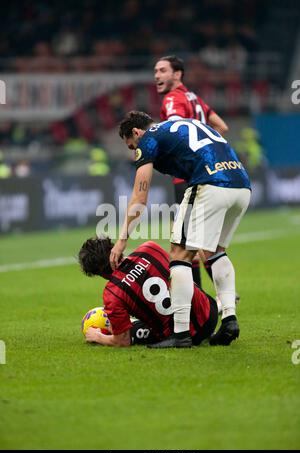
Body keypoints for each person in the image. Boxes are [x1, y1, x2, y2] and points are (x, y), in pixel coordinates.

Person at [110, 111, 251, 348]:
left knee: (178, 254)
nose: (135, 151)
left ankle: (180, 333)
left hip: (211, 183)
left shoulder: (148, 138)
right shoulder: (178, 126)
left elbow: (139, 197)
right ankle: (229, 319)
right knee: (216, 251)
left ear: (136, 132)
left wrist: (122, 240)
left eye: (131, 146)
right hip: (242, 185)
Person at [154, 55, 229, 288]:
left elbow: (177, 131)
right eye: (155, 71)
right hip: (206, 176)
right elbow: (221, 127)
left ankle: (197, 300)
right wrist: (209, 154)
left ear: (177, 75)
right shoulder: (194, 98)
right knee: (204, 241)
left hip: (185, 178)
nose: (157, 75)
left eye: (163, 70)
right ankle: (222, 295)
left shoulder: (172, 100)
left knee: (182, 245)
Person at [78, 237, 218, 347]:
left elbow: (123, 342)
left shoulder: (112, 293)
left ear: (98, 273)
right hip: (209, 312)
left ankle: (114, 324)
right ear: (113, 247)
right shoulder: (149, 248)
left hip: (187, 334)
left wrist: (98, 337)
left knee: (132, 330)